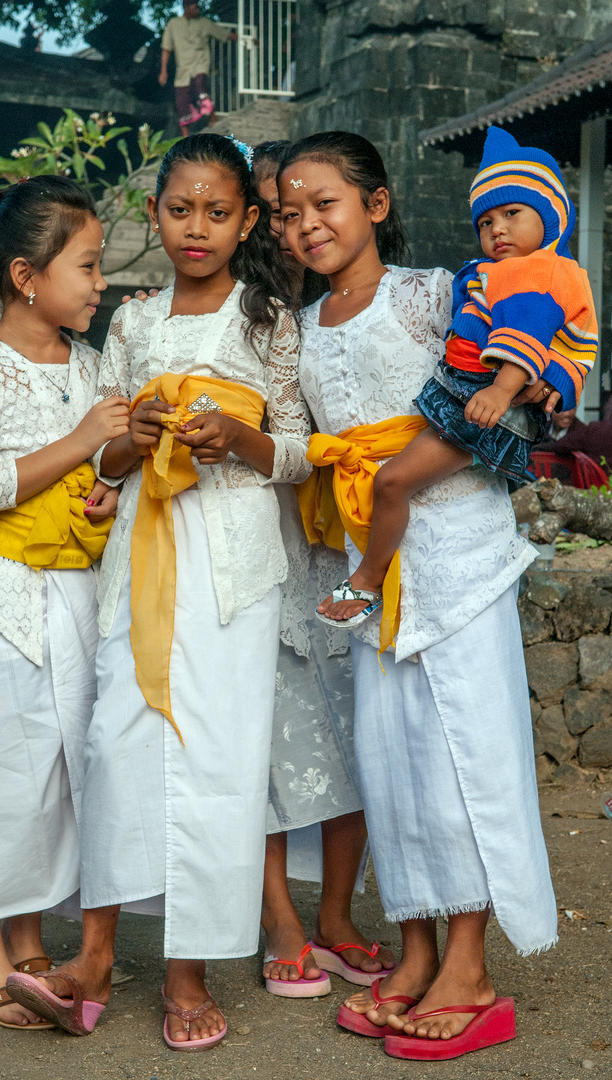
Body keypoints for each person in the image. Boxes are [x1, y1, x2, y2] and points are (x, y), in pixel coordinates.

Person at [5, 133, 312, 1049]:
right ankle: (94, 956)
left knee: (218, 756)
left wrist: (240, 441)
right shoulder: (132, 324)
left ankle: (189, 969)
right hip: (138, 557)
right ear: (154, 214)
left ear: (248, 220)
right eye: (180, 210)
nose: (198, 228)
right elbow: (99, 449)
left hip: (234, 568)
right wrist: (133, 436)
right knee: (121, 737)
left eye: (219, 212)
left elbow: (297, 452)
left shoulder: (269, 319)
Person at [279, 130, 558, 1061]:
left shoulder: (437, 293)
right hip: (371, 567)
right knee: (390, 761)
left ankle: (471, 968)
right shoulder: (301, 329)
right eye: (289, 210)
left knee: (460, 755)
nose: (307, 223)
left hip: (458, 555)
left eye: (326, 202)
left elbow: (507, 391)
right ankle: (413, 950)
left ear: (378, 206)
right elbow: (310, 447)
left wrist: (399, 479)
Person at [0, 176, 129, 1029]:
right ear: (25, 276)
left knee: (62, 769)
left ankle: (27, 937)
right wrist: (84, 439)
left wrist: (108, 483)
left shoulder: (93, 365)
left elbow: (108, 467)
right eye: (87, 267)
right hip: (3, 596)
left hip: (82, 592)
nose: (100, 284)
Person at [313, 126, 597, 634]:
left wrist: (503, 388)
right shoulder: (496, 271)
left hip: (488, 401)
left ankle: (367, 579)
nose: (498, 229)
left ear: (551, 218)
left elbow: (528, 331)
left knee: (393, 481)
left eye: (513, 214)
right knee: (398, 480)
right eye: (486, 220)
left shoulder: (538, 272)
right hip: (469, 393)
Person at [251, 140, 396, 995]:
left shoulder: (369, 301)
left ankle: (338, 915)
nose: (291, 225)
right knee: (263, 738)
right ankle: (283, 923)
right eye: (274, 210)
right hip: (258, 542)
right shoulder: (246, 314)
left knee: (354, 733)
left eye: (303, 206)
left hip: (343, 547)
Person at [159, 0, 236, 133]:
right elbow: (166, 48)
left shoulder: (204, 22)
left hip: (200, 64)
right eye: (195, 8)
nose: (197, 11)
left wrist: (245, 38)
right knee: (181, 102)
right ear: (185, 7)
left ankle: (213, 117)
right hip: (183, 69)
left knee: (201, 88)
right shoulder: (174, 24)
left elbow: (224, 34)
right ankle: (186, 138)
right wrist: (163, 71)